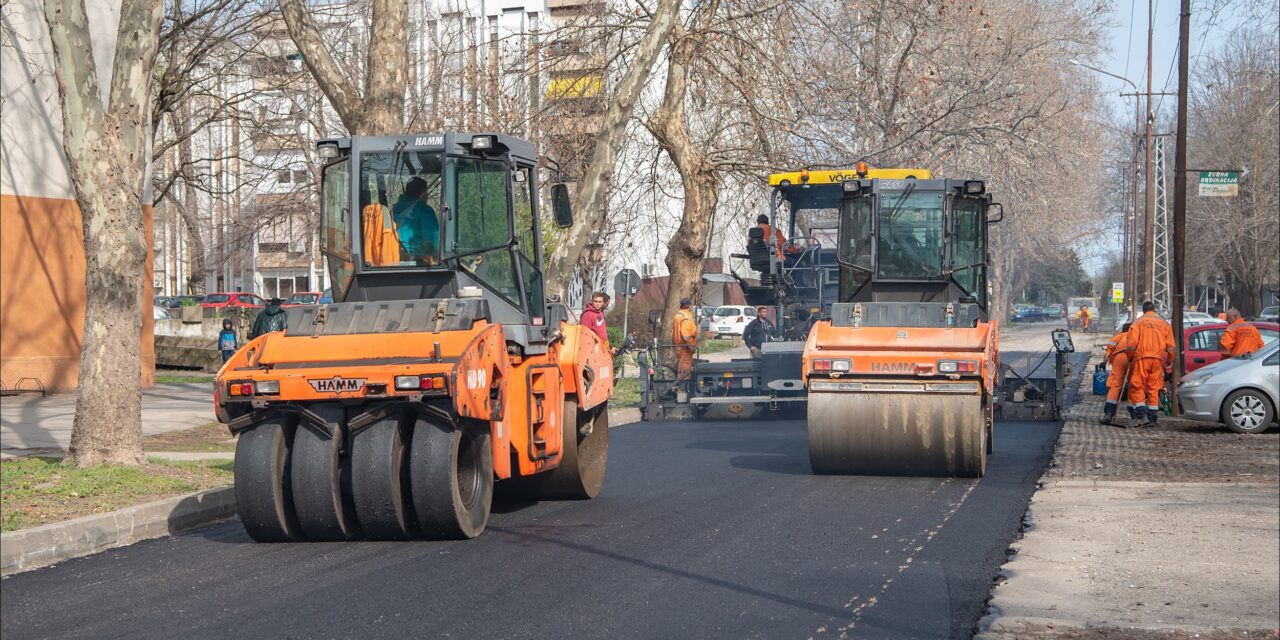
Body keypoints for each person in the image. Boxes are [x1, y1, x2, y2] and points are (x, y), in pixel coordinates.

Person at [1124, 301, 1176, 426]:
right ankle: (1152, 417)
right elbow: (1171, 346)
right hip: (1157, 360)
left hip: (1142, 358)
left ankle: (1141, 414)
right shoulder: (1164, 324)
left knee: (1138, 385)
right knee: (1154, 387)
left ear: (1143, 310)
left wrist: (1130, 357)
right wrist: (1169, 361)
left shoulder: (1138, 322)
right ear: (1154, 309)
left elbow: (1131, 344)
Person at [392, 177, 440, 260]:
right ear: (423, 193)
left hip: (395, 260)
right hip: (418, 263)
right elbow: (431, 243)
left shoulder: (393, 209)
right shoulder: (424, 210)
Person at [1098, 322, 1133, 425]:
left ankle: (1109, 413)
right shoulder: (1138, 336)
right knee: (1135, 385)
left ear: (1123, 329)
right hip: (1134, 358)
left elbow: (1109, 350)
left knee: (1115, 385)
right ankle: (1135, 414)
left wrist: (1104, 362)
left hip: (1120, 357)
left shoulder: (1120, 336)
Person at [580, 291, 619, 355]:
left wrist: (610, 347)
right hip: (593, 351)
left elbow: (601, 335)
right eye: (595, 301)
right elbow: (584, 336)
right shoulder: (588, 315)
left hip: (602, 349)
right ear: (592, 301)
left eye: (600, 302)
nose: (597, 304)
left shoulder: (600, 313)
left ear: (603, 303)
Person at [671, 297, 698, 382]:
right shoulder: (686, 317)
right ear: (689, 306)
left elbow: (674, 333)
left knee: (680, 368)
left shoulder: (678, 316)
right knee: (685, 371)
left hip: (679, 347)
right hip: (685, 349)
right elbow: (685, 335)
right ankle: (684, 389)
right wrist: (691, 347)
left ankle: (680, 387)